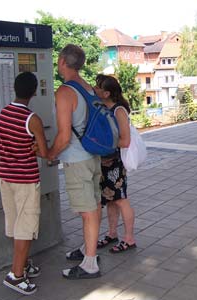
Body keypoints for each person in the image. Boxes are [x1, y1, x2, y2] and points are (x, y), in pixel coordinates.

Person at [48, 44, 101, 279]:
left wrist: (50, 154)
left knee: (87, 211)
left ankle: (90, 264)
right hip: (93, 155)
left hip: (77, 160)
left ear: (61, 61)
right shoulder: (87, 87)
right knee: (94, 205)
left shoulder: (64, 92)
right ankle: (87, 249)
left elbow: (64, 136)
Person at [0, 72, 48, 295]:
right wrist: (37, 148)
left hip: (6, 178)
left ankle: (24, 264)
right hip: (26, 180)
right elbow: (45, 152)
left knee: (15, 223)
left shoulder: (3, 113)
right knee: (25, 227)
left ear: (15, 88)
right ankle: (16, 276)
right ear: (34, 91)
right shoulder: (32, 119)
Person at [94, 74, 137, 253]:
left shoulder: (119, 110)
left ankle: (129, 238)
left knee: (121, 200)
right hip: (104, 162)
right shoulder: (105, 108)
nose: (94, 89)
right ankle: (112, 233)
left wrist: (101, 143)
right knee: (111, 201)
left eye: (97, 87)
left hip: (115, 163)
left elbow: (125, 141)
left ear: (106, 93)